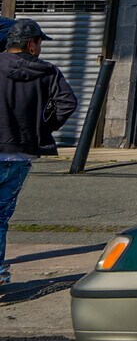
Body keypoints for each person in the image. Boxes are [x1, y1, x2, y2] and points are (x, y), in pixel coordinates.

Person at [0, 20, 76, 287]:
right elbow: (68, 102)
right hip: (18, 154)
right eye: (40, 42)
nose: (41, 48)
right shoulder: (47, 72)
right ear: (31, 44)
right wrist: (43, 128)